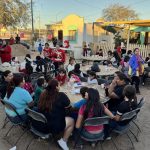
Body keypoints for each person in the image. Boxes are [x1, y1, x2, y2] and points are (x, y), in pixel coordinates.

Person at [36, 79, 74, 150]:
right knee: (71, 120)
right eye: (59, 85)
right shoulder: (61, 95)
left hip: (43, 122)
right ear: (56, 87)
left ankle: (64, 132)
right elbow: (69, 107)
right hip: (54, 125)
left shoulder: (43, 94)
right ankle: (63, 141)